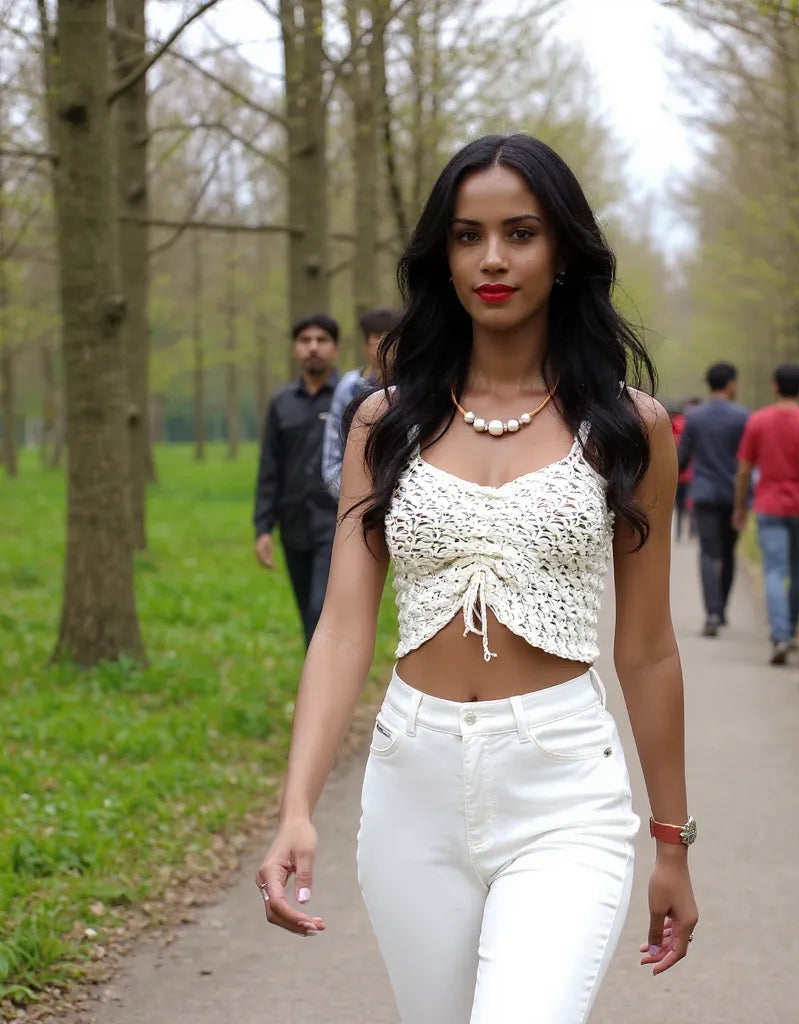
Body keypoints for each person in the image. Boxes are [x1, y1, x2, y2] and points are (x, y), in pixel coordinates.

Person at [255, 133, 698, 1024]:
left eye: (521, 232)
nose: (492, 258)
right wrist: (296, 807)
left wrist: (673, 842)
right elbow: (342, 627)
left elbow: (647, 650)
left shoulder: (629, 427)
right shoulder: (387, 423)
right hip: (409, 782)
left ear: (564, 251)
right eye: (467, 236)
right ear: (442, 257)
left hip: (564, 785)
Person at [733, 363, 799, 665]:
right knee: (798, 568)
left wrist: (740, 506)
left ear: (774, 386)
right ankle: (790, 631)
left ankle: (779, 635)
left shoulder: (758, 421)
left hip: (769, 505)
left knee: (774, 571)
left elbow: (744, 470)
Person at [253, 314, 341, 647]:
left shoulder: (348, 397)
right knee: (307, 612)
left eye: (321, 340)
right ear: (295, 349)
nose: (313, 348)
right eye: (305, 341)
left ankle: (327, 692)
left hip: (335, 522)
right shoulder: (282, 403)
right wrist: (263, 527)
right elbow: (269, 467)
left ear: (335, 348)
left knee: (322, 608)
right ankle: (319, 688)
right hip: (293, 524)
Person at [677, 363, 748, 637]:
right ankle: (723, 608)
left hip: (704, 492)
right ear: (730, 384)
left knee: (707, 552)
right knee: (729, 551)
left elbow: (682, 458)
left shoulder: (695, 417)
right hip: (733, 493)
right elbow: (747, 461)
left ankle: (712, 612)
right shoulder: (742, 416)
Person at [322, 306, 402, 499]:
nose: (386, 343)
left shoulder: (415, 387)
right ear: (366, 344)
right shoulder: (349, 387)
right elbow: (333, 456)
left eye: (392, 336)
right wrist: (356, 500)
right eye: (378, 336)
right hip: (358, 500)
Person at [669, 400, 696, 543]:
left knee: (677, 505)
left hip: (675, 472)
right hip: (690, 473)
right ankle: (692, 531)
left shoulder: (669, 426)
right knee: (690, 504)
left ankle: (678, 532)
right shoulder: (690, 425)